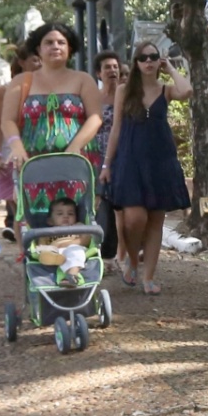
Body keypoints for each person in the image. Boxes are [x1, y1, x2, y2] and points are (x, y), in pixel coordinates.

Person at [102, 40, 193, 295]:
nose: (149, 61)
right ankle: (132, 259)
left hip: (160, 161)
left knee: (155, 221)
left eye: (153, 57)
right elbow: (116, 129)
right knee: (134, 218)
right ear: (136, 62)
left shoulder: (166, 90)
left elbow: (187, 91)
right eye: (143, 58)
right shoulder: (124, 90)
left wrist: (171, 68)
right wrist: (107, 164)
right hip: (130, 161)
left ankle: (149, 277)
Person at [0, 23, 103, 226]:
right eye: (48, 42)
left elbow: (95, 117)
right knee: (37, 221)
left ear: (69, 48)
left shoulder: (83, 79)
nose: (55, 46)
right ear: (38, 49)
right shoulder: (21, 82)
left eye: (61, 42)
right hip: (35, 165)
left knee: (76, 220)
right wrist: (17, 147)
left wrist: (75, 147)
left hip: (77, 164)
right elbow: (7, 120)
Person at [0, 46, 40, 242]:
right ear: (22, 62)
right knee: (18, 206)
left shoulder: (47, 89)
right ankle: (23, 251)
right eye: (34, 60)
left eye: (40, 60)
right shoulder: (4, 91)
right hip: (11, 150)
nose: (39, 64)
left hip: (38, 148)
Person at [92, 50, 123, 267]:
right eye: (107, 67)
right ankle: (104, 252)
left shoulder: (127, 95)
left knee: (121, 204)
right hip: (97, 156)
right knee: (102, 203)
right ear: (98, 73)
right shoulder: (94, 98)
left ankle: (122, 252)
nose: (112, 70)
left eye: (115, 67)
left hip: (123, 156)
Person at [34, 197, 94, 284]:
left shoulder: (77, 226)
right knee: (43, 253)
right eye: (60, 214)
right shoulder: (47, 232)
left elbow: (86, 239)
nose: (66, 216)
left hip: (73, 247)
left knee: (75, 252)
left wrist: (67, 244)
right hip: (55, 251)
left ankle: (72, 275)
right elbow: (41, 245)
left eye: (70, 214)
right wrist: (45, 249)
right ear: (50, 221)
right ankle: (54, 259)